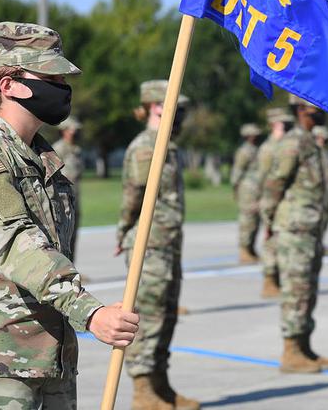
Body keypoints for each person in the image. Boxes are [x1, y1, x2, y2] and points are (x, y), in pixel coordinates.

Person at [0, 22, 137, 409]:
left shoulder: (46, 162)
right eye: (49, 75)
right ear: (8, 84)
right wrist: (91, 312)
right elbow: (19, 245)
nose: (62, 87)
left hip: (53, 362)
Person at [117, 80, 199, 410]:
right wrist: (123, 231)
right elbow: (133, 197)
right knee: (147, 316)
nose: (181, 117)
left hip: (167, 243)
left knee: (166, 316)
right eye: (176, 109)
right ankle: (142, 391)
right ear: (156, 107)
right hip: (148, 246)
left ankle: (161, 386)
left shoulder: (169, 147)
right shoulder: (145, 148)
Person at [260, 93, 328, 374]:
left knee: (307, 291)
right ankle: (291, 351)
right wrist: (270, 220)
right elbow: (274, 183)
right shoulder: (293, 143)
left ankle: (303, 346)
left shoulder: (309, 142)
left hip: (309, 228)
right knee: (295, 291)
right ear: (302, 108)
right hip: (294, 229)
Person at [258, 107, 294, 298]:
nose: (286, 127)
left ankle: (280, 278)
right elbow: (264, 178)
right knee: (270, 240)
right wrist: (266, 206)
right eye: (283, 124)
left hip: (286, 202)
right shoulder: (268, 148)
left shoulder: (288, 145)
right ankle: (269, 280)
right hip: (271, 199)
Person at [53, 116, 84, 261]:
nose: (75, 132)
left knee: (73, 236)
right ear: (64, 131)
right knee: (62, 238)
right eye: (72, 129)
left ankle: (73, 269)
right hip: (61, 201)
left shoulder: (76, 150)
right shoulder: (58, 149)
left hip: (74, 199)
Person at [232, 123, 264, 264]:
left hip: (257, 190)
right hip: (247, 191)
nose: (256, 137)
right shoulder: (244, 152)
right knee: (247, 221)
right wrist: (236, 188)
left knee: (255, 221)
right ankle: (244, 251)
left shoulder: (257, 150)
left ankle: (251, 249)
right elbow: (237, 171)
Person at [312, 125, 328, 246]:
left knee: (325, 217)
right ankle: (316, 243)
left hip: (326, 191)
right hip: (318, 192)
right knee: (317, 218)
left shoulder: (323, 151)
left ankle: (320, 243)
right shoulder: (314, 152)